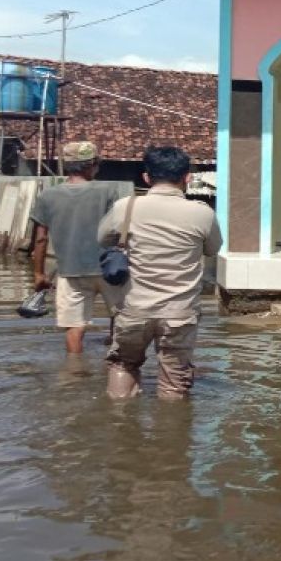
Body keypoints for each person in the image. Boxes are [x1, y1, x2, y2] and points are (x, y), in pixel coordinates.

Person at [99, 146, 223, 400]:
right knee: (175, 380)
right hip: (180, 312)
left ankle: (120, 425)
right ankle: (172, 435)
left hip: (135, 308)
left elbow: (102, 239)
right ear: (187, 177)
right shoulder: (203, 213)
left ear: (146, 178)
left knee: (124, 364)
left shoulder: (126, 207)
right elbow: (213, 249)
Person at [30, 141, 127, 354]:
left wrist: (39, 275)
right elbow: (121, 231)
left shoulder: (48, 196)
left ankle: (74, 372)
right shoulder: (108, 191)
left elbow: (40, 240)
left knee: (74, 328)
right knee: (120, 320)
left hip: (70, 272)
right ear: (92, 165)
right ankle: (116, 367)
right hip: (109, 268)